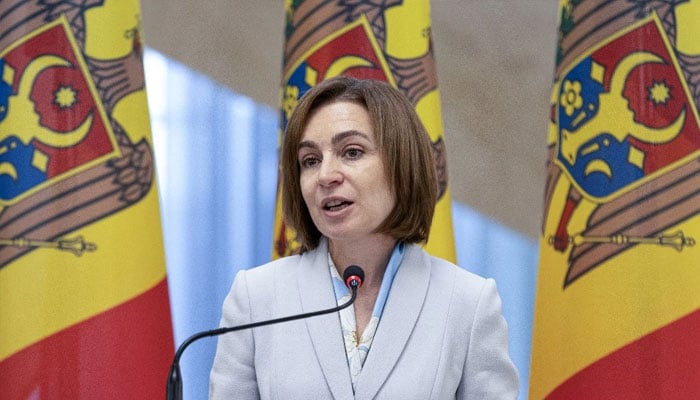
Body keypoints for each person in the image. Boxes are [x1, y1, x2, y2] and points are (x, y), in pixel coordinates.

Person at [209, 76, 519, 399]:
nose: (326, 176)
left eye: (352, 152)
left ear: (402, 164)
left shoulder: (468, 303)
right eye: (310, 161)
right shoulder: (256, 299)